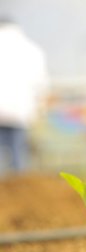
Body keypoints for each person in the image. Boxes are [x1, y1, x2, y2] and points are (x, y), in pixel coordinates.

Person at [0, 18, 47, 175]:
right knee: (18, 154)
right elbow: (41, 84)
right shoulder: (32, 49)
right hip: (20, 110)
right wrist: (40, 107)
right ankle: (19, 190)